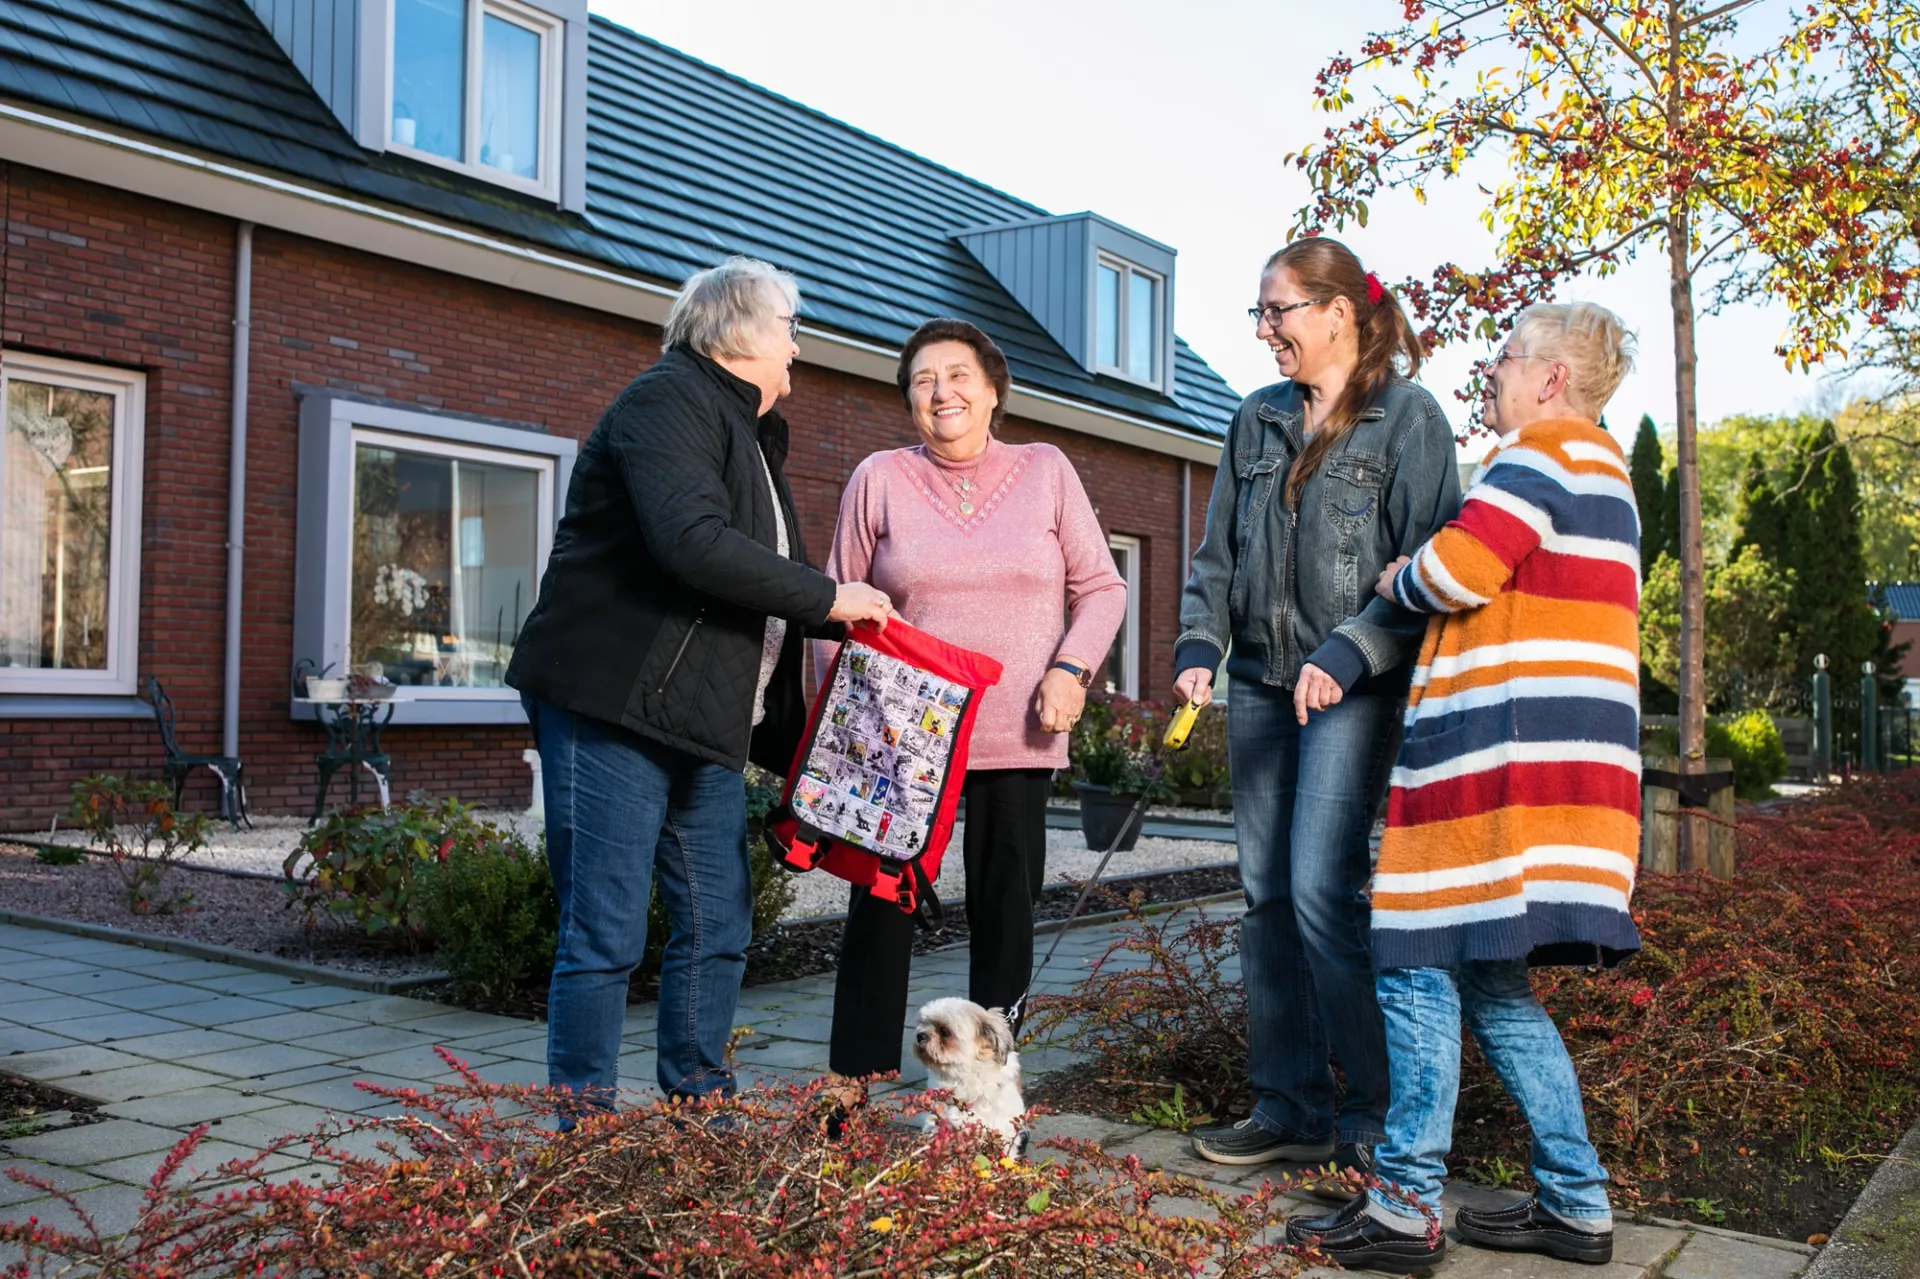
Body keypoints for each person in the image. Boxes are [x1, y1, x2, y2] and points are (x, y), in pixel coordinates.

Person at [1287, 302, 1643, 1272]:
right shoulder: (1608, 471)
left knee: (1411, 960)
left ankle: (1403, 1207)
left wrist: (1403, 573)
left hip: (1495, 785)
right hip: (1557, 788)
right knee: (1496, 990)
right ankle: (1576, 1203)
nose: (1492, 375)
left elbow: (1460, 565)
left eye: (1506, 360)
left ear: (1553, 378)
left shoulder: (1542, 458)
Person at [506, 257, 892, 1114]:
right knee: (604, 929)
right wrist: (831, 596)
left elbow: (767, 576)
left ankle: (700, 1107)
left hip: (704, 721)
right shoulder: (666, 400)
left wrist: (847, 623)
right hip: (612, 707)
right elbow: (694, 542)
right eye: (790, 326)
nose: (799, 346)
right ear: (741, 331)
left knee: (718, 925)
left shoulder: (750, 436)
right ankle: (584, 1130)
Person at [1175, 239, 1461, 1178]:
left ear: (1339, 311)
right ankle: (1290, 1104)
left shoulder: (1406, 418)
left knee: (1321, 893)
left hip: (1354, 687)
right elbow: (1216, 557)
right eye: (1259, 314)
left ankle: (1380, 1112)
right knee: (1266, 898)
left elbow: (1430, 568)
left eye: (1278, 311)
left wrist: (1352, 651)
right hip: (1259, 680)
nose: (1265, 331)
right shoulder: (1254, 418)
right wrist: (1195, 649)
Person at [819, 318, 1126, 1114]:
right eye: (923, 379)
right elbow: (833, 606)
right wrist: (839, 743)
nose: (941, 391)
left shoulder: (1046, 470)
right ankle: (850, 1102)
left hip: (1016, 736)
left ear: (993, 391)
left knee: (1006, 928)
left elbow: (1102, 587)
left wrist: (1071, 668)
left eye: (958, 375)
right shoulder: (878, 477)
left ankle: (994, 1106)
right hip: (898, 746)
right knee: (879, 922)